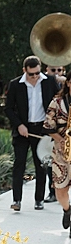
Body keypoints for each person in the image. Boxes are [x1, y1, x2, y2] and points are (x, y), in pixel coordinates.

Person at [5, 55, 58, 211]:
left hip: (41, 129)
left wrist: (51, 126)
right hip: (22, 129)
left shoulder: (49, 81)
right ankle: (16, 200)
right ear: (24, 71)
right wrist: (19, 125)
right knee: (19, 164)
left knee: (40, 164)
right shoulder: (15, 84)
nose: (34, 77)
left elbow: (57, 103)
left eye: (37, 73)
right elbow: (8, 108)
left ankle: (39, 200)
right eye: (31, 74)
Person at [43, 70, 71, 234]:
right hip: (61, 151)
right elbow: (47, 126)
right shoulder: (57, 101)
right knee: (60, 190)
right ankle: (67, 210)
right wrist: (61, 140)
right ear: (68, 82)